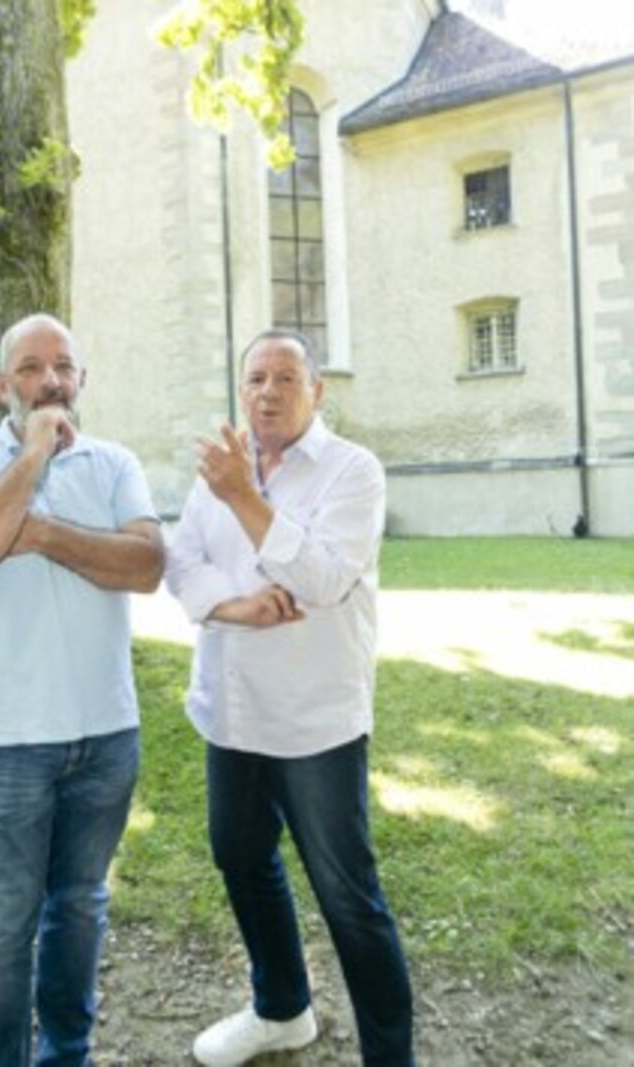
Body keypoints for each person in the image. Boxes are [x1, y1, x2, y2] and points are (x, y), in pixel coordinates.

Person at [165, 329, 414, 1066]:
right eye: (254, 379)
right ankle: (282, 1008)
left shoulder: (351, 471)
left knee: (348, 897)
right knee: (239, 855)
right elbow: (181, 559)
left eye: (284, 377)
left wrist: (244, 499)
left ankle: (390, 1057)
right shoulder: (221, 469)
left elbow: (327, 578)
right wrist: (233, 606)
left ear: (317, 391)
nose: (267, 392)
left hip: (315, 723)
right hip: (232, 711)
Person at [0, 313, 164, 1066]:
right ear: (2, 385)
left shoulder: (114, 462)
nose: (50, 380)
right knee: (2, 927)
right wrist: (31, 457)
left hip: (106, 736)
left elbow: (147, 565)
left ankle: (67, 1053)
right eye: (31, 367)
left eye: (63, 365)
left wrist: (41, 533)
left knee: (82, 907)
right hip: (6, 740)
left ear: (82, 378)